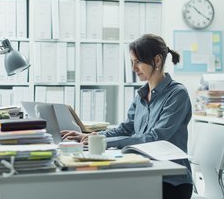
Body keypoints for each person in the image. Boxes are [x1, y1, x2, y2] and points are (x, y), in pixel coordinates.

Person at [61, 34, 193, 199]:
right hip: (145, 172)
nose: (133, 68)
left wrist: (104, 142)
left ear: (157, 61)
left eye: (138, 62)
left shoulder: (177, 94)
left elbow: (155, 138)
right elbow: (126, 129)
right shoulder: (141, 95)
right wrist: (92, 136)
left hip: (171, 181)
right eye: (132, 62)